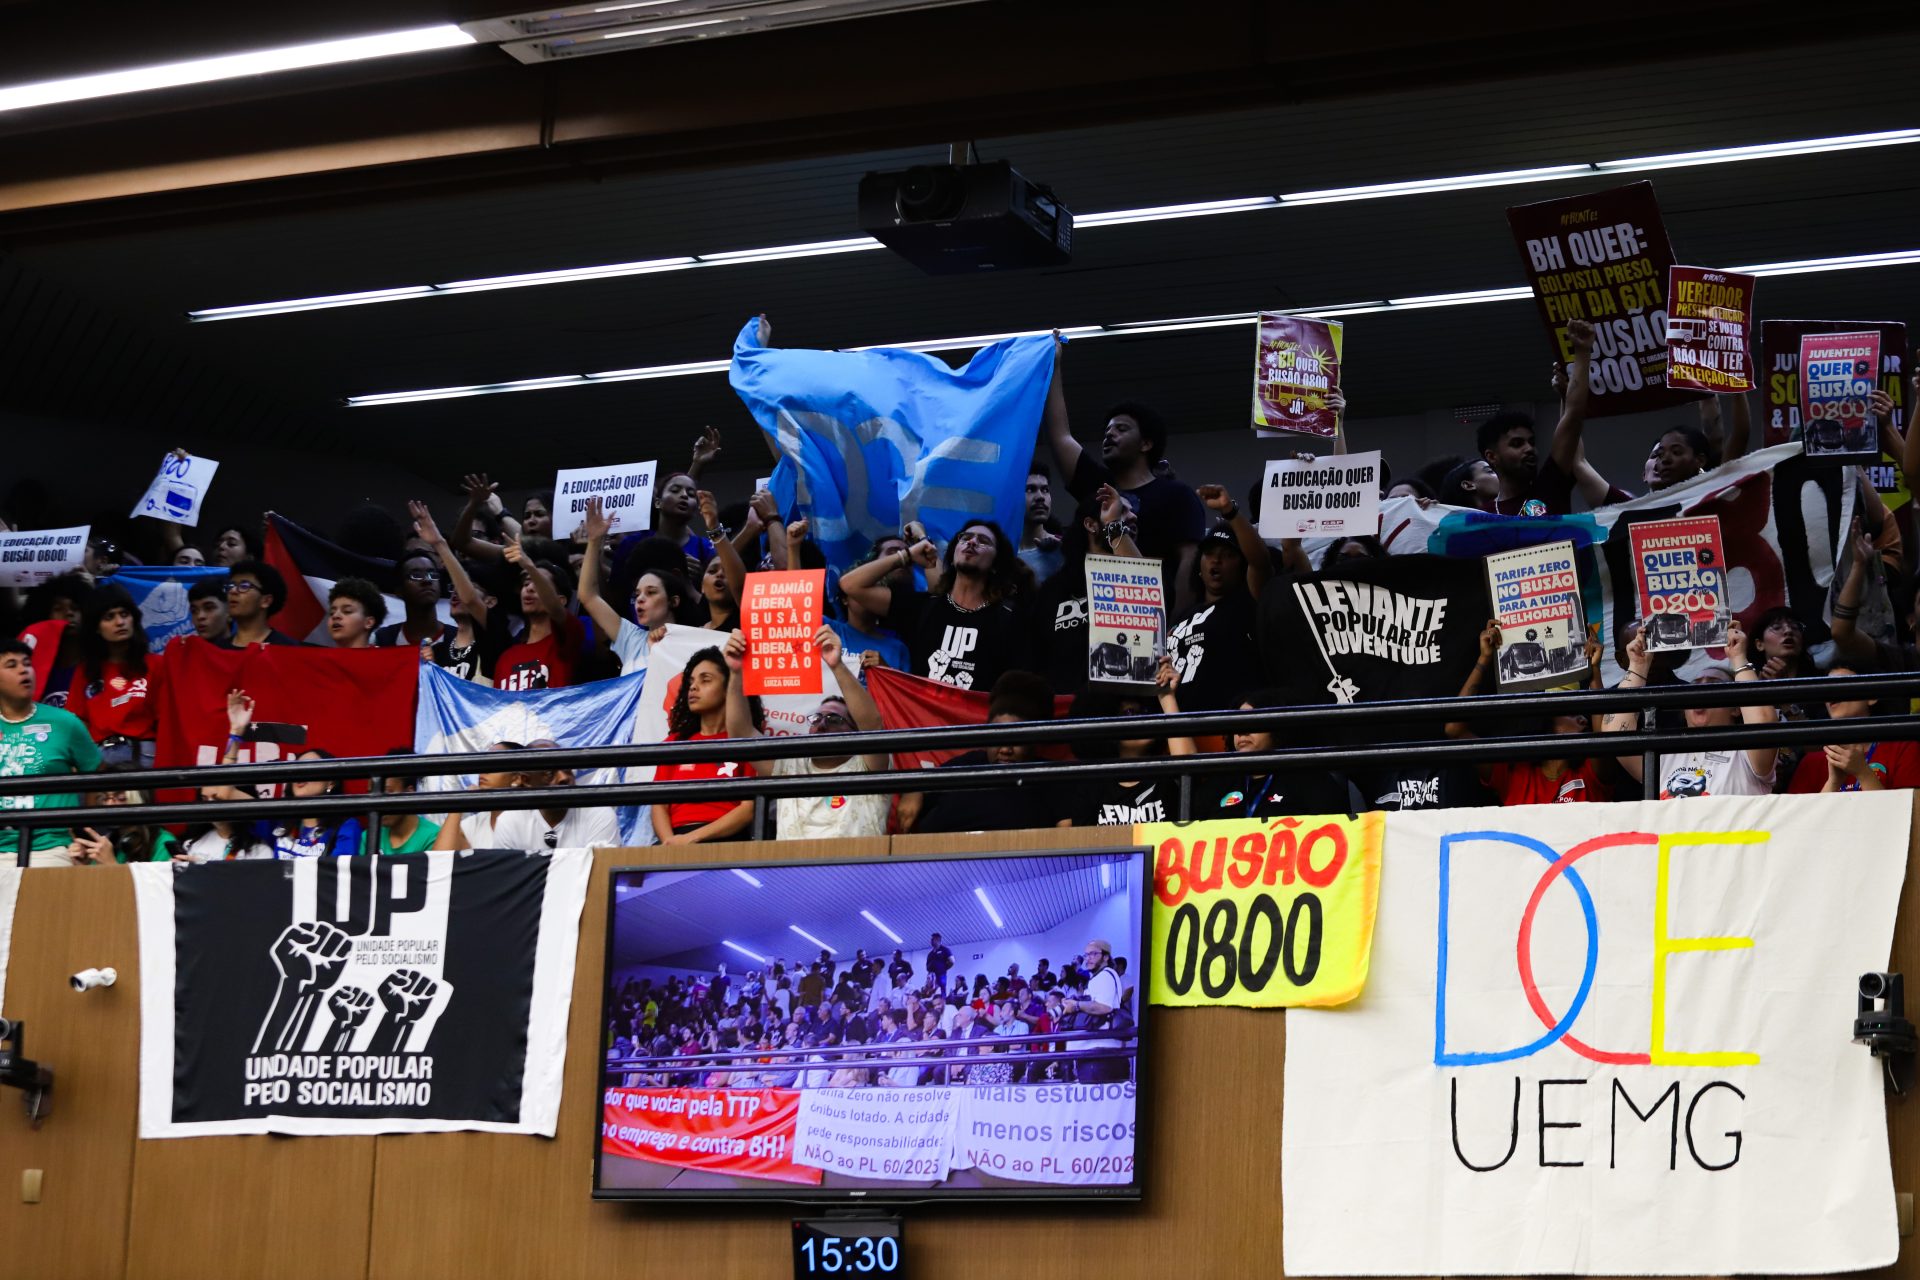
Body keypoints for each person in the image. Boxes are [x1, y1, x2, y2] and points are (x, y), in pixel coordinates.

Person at [1042, 336, 1207, 614]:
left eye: (1121, 429)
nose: (1110, 434)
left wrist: (1173, 626)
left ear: (1146, 444)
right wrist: (1053, 364)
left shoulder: (1176, 495)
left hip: (1151, 617)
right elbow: (1059, 435)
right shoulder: (1097, 488)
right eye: (1107, 430)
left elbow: (1189, 564)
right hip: (1098, 614)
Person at [723, 626, 889, 838]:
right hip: (792, 869)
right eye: (817, 718)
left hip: (853, 868)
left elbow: (872, 725)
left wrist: (836, 665)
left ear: (855, 732)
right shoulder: (790, 768)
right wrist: (736, 672)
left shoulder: (866, 765)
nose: (822, 724)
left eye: (834, 719)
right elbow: (740, 735)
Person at [839, 519, 1026, 691]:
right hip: (925, 725)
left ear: (995, 564)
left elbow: (1017, 689)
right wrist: (907, 555)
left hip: (977, 725)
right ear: (952, 557)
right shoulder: (923, 607)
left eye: (984, 541)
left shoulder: (1009, 618)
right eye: (965, 538)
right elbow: (850, 584)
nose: (972, 542)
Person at [1603, 621, 1779, 798]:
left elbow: (1763, 719)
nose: (1700, 690)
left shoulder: (1747, 756)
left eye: (1713, 684)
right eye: (1695, 685)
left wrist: (1738, 658)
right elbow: (1614, 732)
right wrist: (1638, 666)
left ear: (1736, 708)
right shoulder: (1663, 756)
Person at [1445, 620, 1610, 804]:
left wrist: (1594, 670)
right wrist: (1484, 659)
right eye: (1571, 713)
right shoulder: (1512, 773)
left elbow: (1601, 738)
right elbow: (1454, 730)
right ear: (1545, 721)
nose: (1584, 720)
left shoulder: (1590, 773)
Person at [1161, 664, 1355, 816]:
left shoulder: (1309, 781)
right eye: (1236, 725)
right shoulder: (1219, 783)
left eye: (1251, 722)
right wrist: (1166, 696)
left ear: (1276, 728)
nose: (1242, 732)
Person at [900, 670, 1058, 833]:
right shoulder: (967, 764)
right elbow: (922, 785)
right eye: (997, 737)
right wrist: (915, 791)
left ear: (1035, 739)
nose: (1005, 750)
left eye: (1016, 739)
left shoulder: (1052, 777)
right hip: (939, 852)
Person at [1029, 484, 1142, 697]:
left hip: (1123, 711)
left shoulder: (1147, 575)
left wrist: (1113, 526)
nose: (1133, 516)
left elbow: (1138, 588)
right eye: (1120, 511)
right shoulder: (1053, 590)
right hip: (1064, 715)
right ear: (1091, 525)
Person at [1475, 317, 1596, 515]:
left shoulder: (1550, 486)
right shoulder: (1483, 516)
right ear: (1492, 456)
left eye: (1531, 442)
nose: (1529, 448)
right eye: (1517, 444)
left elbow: (1573, 416)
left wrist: (1582, 352)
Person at [0, 637, 102, 866]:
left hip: (53, 846)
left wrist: (83, 830)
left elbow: (97, 775)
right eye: (11, 665)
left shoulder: (65, 723)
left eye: (27, 663)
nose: (23, 670)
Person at [1166, 485, 1270, 711]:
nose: (1216, 560)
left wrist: (1229, 512)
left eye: (1228, 555)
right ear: (1199, 565)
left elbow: (1260, 562)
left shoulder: (1247, 602)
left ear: (1242, 566)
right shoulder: (1184, 614)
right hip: (1178, 727)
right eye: (1210, 554)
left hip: (1226, 727)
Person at [652, 647, 758, 844]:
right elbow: (658, 805)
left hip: (727, 842)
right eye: (691, 682)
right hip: (673, 842)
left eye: (705, 680)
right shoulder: (674, 743)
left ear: (729, 687)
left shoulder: (746, 740)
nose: (693, 687)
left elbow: (748, 808)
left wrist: (692, 839)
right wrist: (670, 842)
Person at [577, 495, 685, 677]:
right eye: (637, 594)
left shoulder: (693, 639)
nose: (640, 599)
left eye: (651, 592)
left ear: (673, 601)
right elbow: (588, 595)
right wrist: (594, 542)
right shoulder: (630, 639)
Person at [409, 500, 511, 683]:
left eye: (468, 585)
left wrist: (439, 543)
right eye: (454, 587)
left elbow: (470, 600)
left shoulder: (495, 637)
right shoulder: (437, 652)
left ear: (490, 601)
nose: (457, 593)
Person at [67, 584, 160, 767]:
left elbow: (166, 720)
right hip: (99, 758)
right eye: (109, 617)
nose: (120, 622)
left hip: (144, 756)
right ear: (96, 627)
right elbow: (78, 723)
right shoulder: (85, 671)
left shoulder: (156, 665)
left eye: (124, 614)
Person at [1787, 668, 1920, 792]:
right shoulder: (1810, 763)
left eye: (1841, 683)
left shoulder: (1903, 749)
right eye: (1825, 688)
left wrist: (1863, 772)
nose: (1831, 692)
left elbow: (1910, 814)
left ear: (1871, 697)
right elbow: (1803, 817)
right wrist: (1833, 782)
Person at [491, 739, 621, 848]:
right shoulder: (510, 821)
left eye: (567, 769)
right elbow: (508, 877)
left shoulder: (598, 814)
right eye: (550, 773)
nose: (563, 778)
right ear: (526, 781)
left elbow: (601, 873)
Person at [495, 539, 583, 690]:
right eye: (526, 583)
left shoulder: (567, 640)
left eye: (539, 582)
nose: (529, 588)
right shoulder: (506, 658)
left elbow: (555, 610)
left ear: (561, 600)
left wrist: (529, 566)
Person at [71, 768, 184, 863]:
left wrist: (111, 864)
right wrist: (80, 865)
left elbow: (157, 889)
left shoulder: (163, 842)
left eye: (120, 798)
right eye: (105, 798)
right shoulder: (111, 841)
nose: (109, 804)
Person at [1064, 938, 1129, 1083]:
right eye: (1086, 955)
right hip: (1096, 1053)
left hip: (1098, 1054)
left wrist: (1076, 1005)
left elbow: (1103, 1007)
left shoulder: (1105, 976)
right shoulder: (1099, 977)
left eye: (1094, 954)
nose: (1089, 958)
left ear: (1106, 957)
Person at [374, 547, 455, 653]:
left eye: (433, 575)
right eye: (416, 575)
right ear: (399, 590)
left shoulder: (457, 639)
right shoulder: (383, 639)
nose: (427, 580)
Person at [180, 781, 271, 862]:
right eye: (205, 799)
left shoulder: (260, 850)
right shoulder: (192, 844)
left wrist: (202, 869)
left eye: (218, 799)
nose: (210, 806)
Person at [223, 559, 305, 647]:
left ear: (266, 601)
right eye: (231, 586)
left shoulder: (287, 649)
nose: (233, 591)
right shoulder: (217, 651)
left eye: (244, 586)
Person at [373, 750, 442, 854]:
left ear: (409, 792)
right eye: (374, 794)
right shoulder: (370, 836)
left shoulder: (433, 837)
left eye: (388, 792)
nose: (379, 802)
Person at [1018, 464, 1065, 584]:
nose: (1040, 497)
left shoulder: (1064, 547)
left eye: (1045, 490)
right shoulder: (1001, 551)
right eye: (1030, 489)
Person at [325, 577, 386, 649]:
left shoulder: (384, 659)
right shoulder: (317, 659)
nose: (335, 616)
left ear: (369, 622)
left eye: (347, 611)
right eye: (332, 613)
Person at [188, 576, 230, 644]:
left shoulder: (248, 652)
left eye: (209, 608)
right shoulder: (182, 650)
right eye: (194, 611)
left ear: (229, 611)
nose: (200, 616)